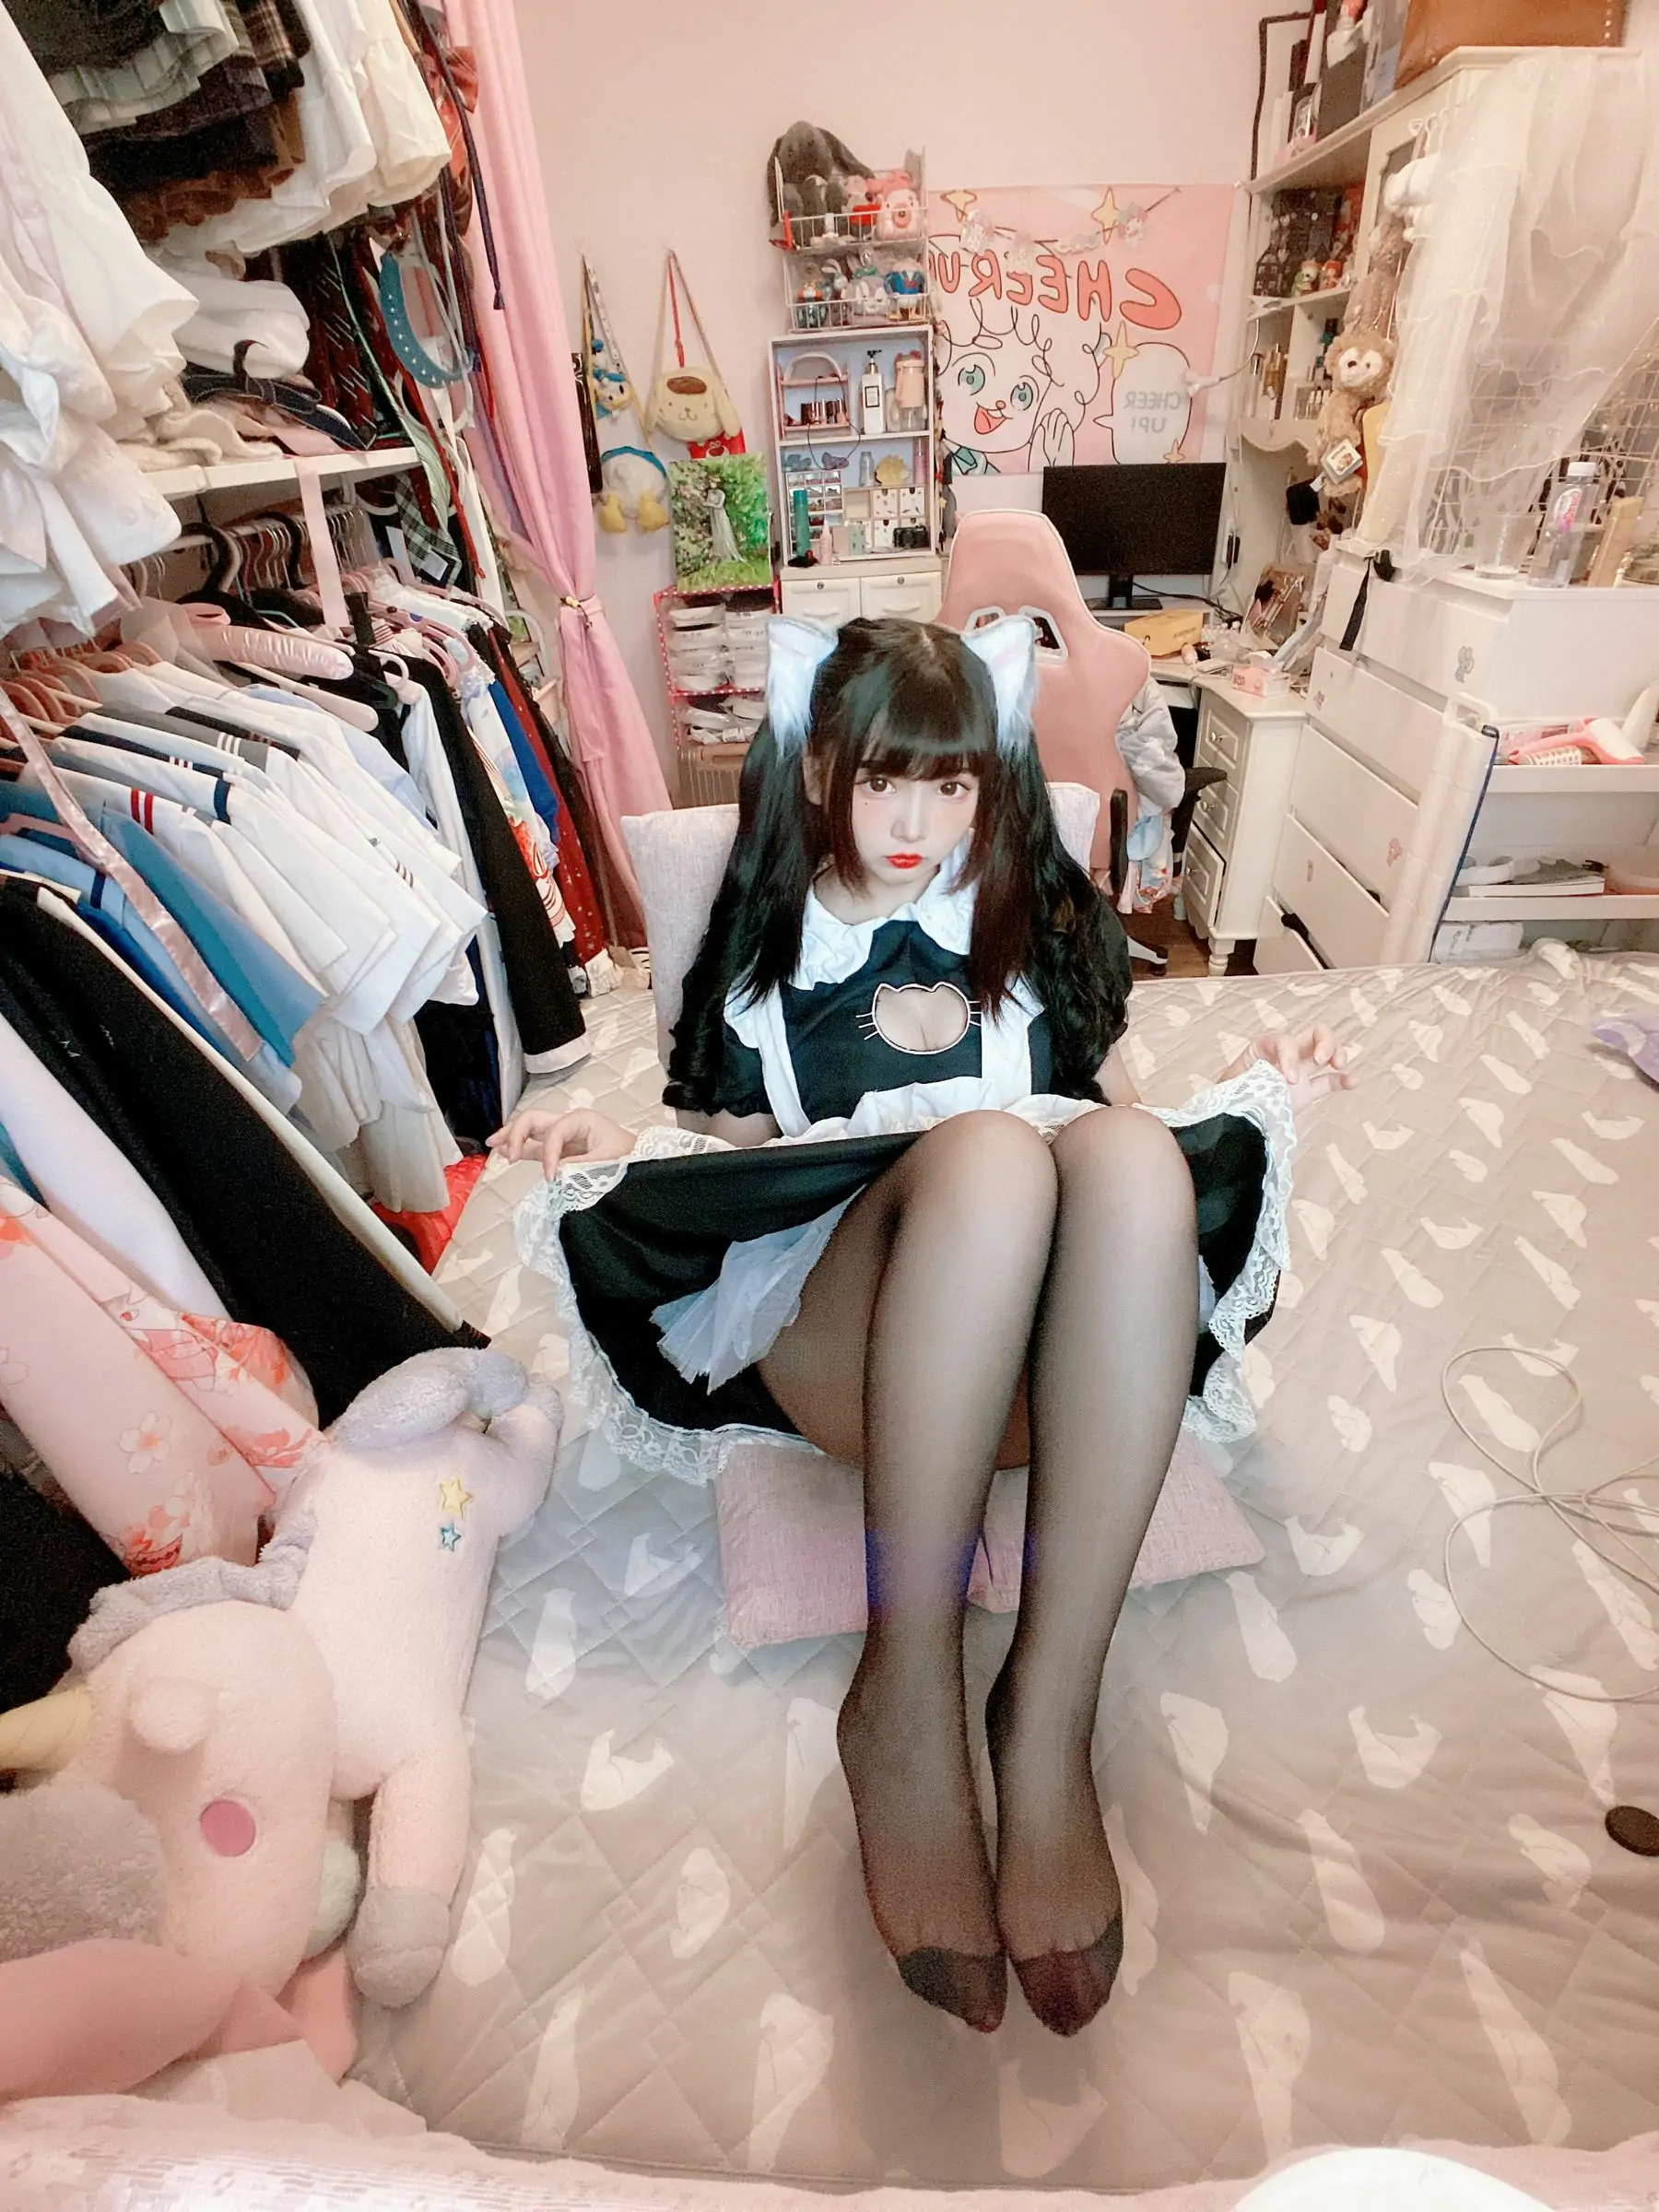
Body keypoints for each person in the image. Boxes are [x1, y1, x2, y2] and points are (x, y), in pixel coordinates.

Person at [498, 616, 1349, 2039]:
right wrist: (608, 1141)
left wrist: (1261, 1090)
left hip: (1041, 1396)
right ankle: (906, 1693)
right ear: (819, 770)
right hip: (856, 1358)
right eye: (883, 781)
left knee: (1127, 1158)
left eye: (950, 786)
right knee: (996, 1159)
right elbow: (724, 1157)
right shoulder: (770, 951)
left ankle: (1048, 1716)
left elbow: (1119, 1124)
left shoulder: (1036, 923)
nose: (914, 823)